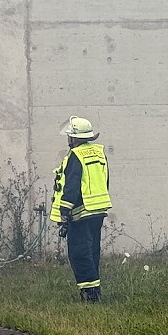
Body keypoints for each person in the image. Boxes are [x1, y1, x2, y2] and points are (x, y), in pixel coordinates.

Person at [50, 116, 112, 302]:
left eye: (69, 136)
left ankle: (90, 295)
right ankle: (95, 291)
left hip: (80, 213)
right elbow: (105, 180)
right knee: (92, 251)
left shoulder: (75, 156)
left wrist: (64, 214)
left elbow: (71, 187)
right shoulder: (99, 153)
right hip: (98, 210)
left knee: (79, 253)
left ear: (73, 138)